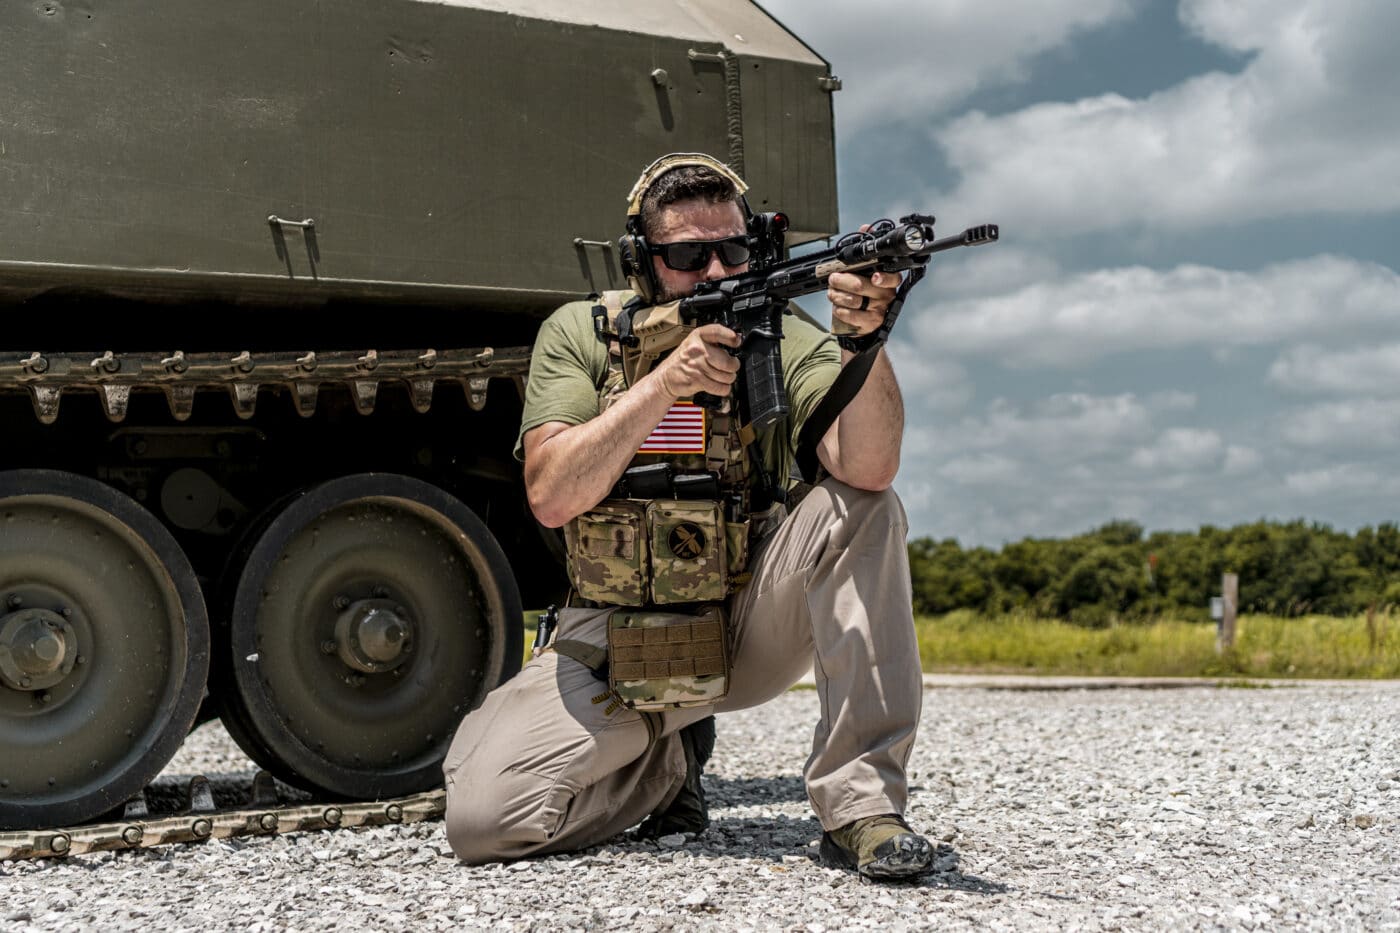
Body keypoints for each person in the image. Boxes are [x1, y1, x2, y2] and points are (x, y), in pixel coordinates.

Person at [443, 153, 931, 879]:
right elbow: (551, 493)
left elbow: (867, 467)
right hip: (610, 641)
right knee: (486, 819)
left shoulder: (782, 332)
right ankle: (667, 761)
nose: (715, 273)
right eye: (685, 256)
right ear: (643, 261)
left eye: (732, 251)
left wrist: (866, 341)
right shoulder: (583, 333)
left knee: (863, 507)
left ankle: (862, 808)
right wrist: (666, 383)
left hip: (743, 626)